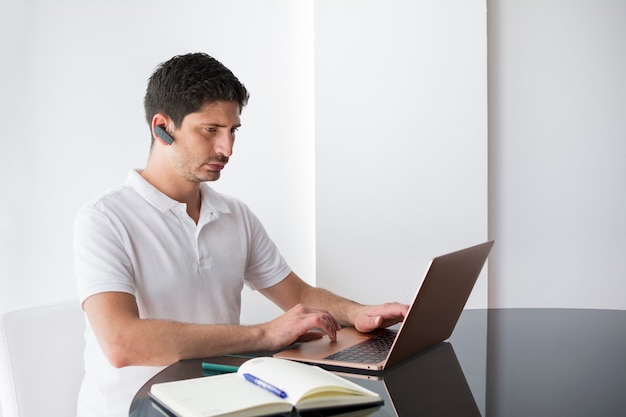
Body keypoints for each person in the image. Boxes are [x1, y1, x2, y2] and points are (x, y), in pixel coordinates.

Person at [73, 52, 409, 417]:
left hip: (221, 401)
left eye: (232, 130)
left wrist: (359, 312)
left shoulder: (234, 215)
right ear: (162, 127)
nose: (226, 149)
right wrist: (265, 335)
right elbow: (122, 342)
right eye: (210, 130)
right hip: (136, 408)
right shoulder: (104, 219)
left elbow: (298, 294)